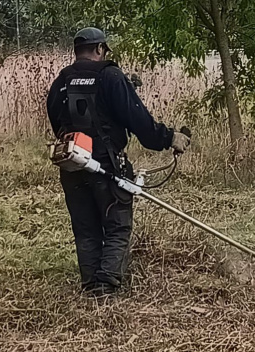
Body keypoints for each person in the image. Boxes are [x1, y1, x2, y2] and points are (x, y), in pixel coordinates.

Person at [46, 27, 191, 296]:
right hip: (107, 166)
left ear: (76, 51)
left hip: (72, 164)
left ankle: (91, 285)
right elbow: (139, 122)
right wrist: (169, 137)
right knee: (117, 226)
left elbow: (58, 122)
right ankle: (106, 284)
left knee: (86, 228)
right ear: (100, 49)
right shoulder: (110, 76)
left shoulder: (61, 81)